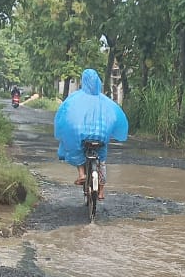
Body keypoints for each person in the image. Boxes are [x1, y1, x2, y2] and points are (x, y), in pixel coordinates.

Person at [54, 68, 129, 199]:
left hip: (81, 136)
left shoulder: (75, 98)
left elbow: (65, 115)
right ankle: (101, 192)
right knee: (102, 160)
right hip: (101, 137)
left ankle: (82, 173)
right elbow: (116, 118)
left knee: (75, 147)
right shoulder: (106, 102)